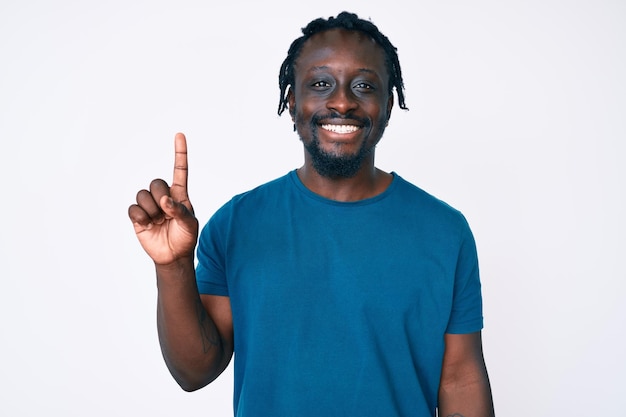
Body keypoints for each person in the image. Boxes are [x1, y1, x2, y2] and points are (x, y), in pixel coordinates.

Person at [128, 11, 495, 417]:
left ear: (388, 104)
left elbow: (460, 378)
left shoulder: (444, 231)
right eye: (321, 84)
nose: (342, 101)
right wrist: (174, 266)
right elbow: (193, 372)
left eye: (364, 86)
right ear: (292, 102)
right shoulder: (237, 224)